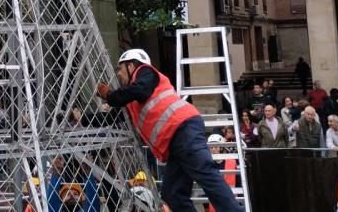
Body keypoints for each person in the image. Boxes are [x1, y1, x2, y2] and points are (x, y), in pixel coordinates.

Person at [97, 49, 242, 212]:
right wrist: (80, 118)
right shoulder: (133, 99)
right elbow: (114, 115)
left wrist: (109, 95)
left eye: (121, 68)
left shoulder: (145, 73)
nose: (119, 74)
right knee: (172, 192)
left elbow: (135, 91)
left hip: (183, 131)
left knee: (206, 175)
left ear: (131, 65)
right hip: (176, 141)